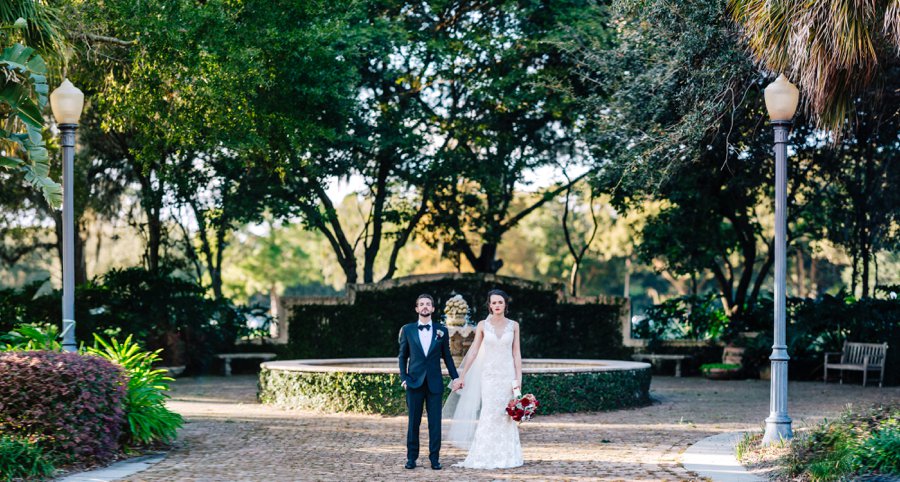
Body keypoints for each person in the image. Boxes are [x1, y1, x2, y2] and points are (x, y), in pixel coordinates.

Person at [444, 289, 524, 469]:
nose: (497, 305)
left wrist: (518, 379)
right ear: (489, 305)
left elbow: (516, 353)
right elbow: (473, 351)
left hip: (507, 375)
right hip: (488, 377)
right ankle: (484, 454)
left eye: (500, 302)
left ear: (505, 305)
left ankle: (506, 455)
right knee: (489, 412)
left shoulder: (514, 325)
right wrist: (462, 376)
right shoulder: (482, 325)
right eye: (494, 302)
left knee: (506, 415)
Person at [398, 294, 461, 470]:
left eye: (428, 304)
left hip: (434, 384)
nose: (425, 307)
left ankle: (435, 458)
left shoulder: (442, 330)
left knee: (435, 424)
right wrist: (404, 378)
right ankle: (411, 458)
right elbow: (402, 356)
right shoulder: (408, 330)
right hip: (414, 383)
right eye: (421, 304)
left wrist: (455, 377)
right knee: (413, 423)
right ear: (417, 309)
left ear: (433, 309)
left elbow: (447, 357)